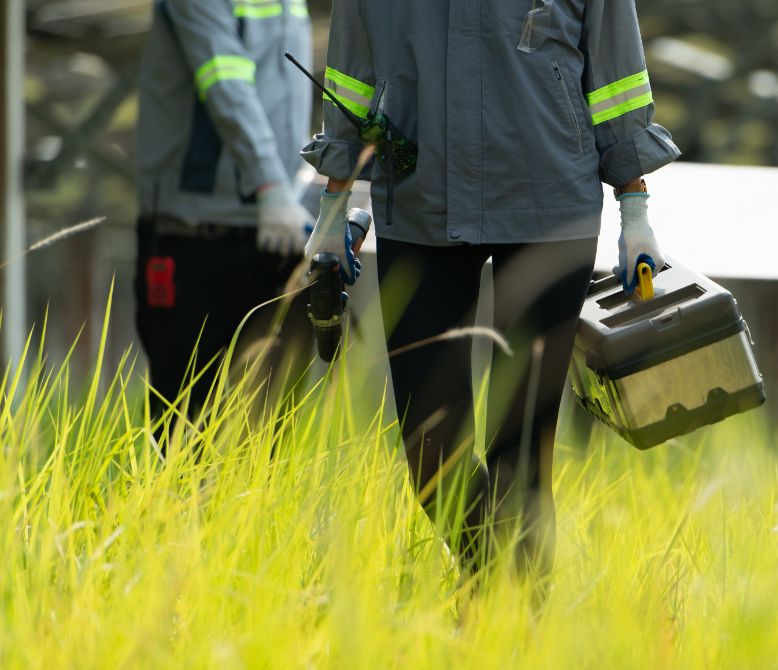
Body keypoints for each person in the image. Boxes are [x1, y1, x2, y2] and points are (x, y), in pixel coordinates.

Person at [302, 0, 681, 576]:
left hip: (549, 206)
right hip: (420, 204)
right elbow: (352, 80)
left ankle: (508, 626)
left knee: (521, 450)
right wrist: (338, 207)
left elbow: (616, 74)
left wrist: (635, 210)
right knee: (430, 450)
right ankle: (503, 588)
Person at [134, 0, 313, 444]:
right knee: (186, 433)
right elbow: (224, 76)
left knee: (267, 440)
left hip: (278, 233)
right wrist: (271, 185)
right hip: (196, 236)